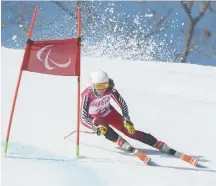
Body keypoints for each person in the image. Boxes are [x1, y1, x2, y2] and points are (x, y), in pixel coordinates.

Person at [80, 70, 173, 155]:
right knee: (103, 127)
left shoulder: (110, 90)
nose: (102, 89)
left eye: (105, 85)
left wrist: (126, 119)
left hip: (109, 113)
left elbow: (122, 104)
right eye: (98, 86)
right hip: (95, 118)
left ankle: (155, 142)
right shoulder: (87, 95)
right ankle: (117, 139)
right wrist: (94, 127)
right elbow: (83, 118)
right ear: (92, 85)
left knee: (129, 131)